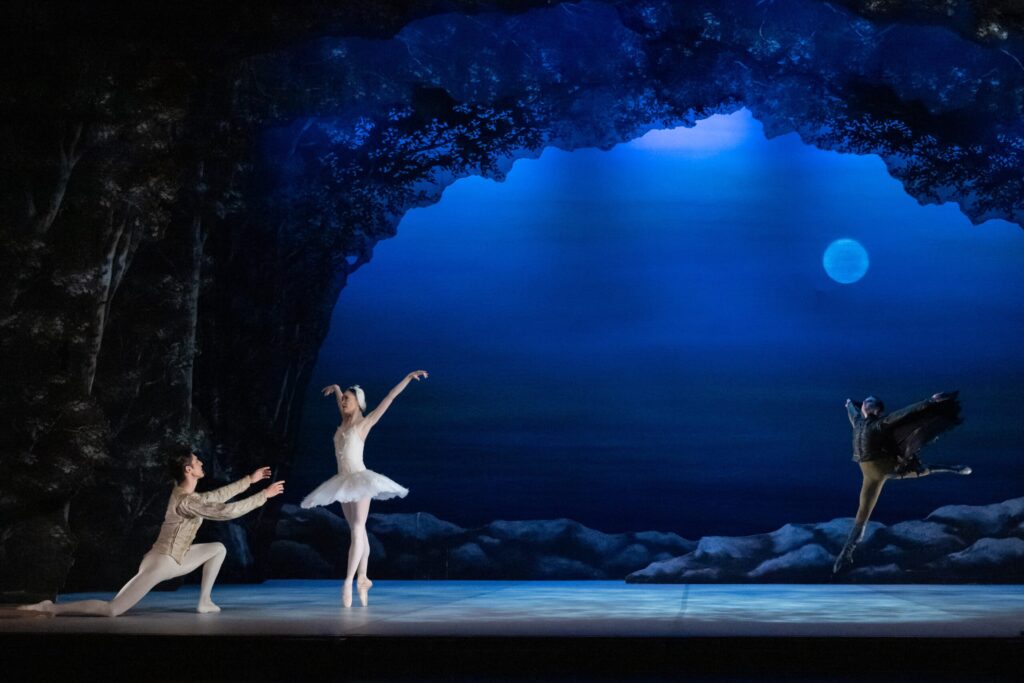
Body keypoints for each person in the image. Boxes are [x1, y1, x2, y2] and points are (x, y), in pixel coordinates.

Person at [18, 447, 283, 616]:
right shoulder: (186, 500)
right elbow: (226, 511)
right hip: (162, 562)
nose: (201, 462)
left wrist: (250, 480)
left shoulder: (188, 495)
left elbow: (216, 496)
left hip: (178, 557)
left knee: (217, 548)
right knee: (112, 610)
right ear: (188, 469)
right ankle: (51, 607)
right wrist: (263, 495)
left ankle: (204, 602)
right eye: (197, 461)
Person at [301, 370, 427, 607]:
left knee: (358, 528)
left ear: (358, 403)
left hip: (360, 479)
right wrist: (338, 387)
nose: (342, 402)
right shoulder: (344, 420)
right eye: (342, 400)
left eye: (347, 399)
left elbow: (389, 398)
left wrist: (408, 378)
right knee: (356, 530)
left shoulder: (364, 423)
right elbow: (341, 400)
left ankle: (348, 581)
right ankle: (363, 577)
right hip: (342, 480)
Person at [833, 391, 970, 574]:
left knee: (919, 471)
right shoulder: (858, 422)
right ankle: (846, 553)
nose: (867, 401)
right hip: (870, 475)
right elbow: (852, 410)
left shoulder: (881, 423)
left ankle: (950, 468)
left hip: (886, 467)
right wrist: (849, 402)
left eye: (871, 401)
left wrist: (929, 401)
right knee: (862, 515)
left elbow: (905, 413)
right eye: (866, 400)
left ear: (878, 410)